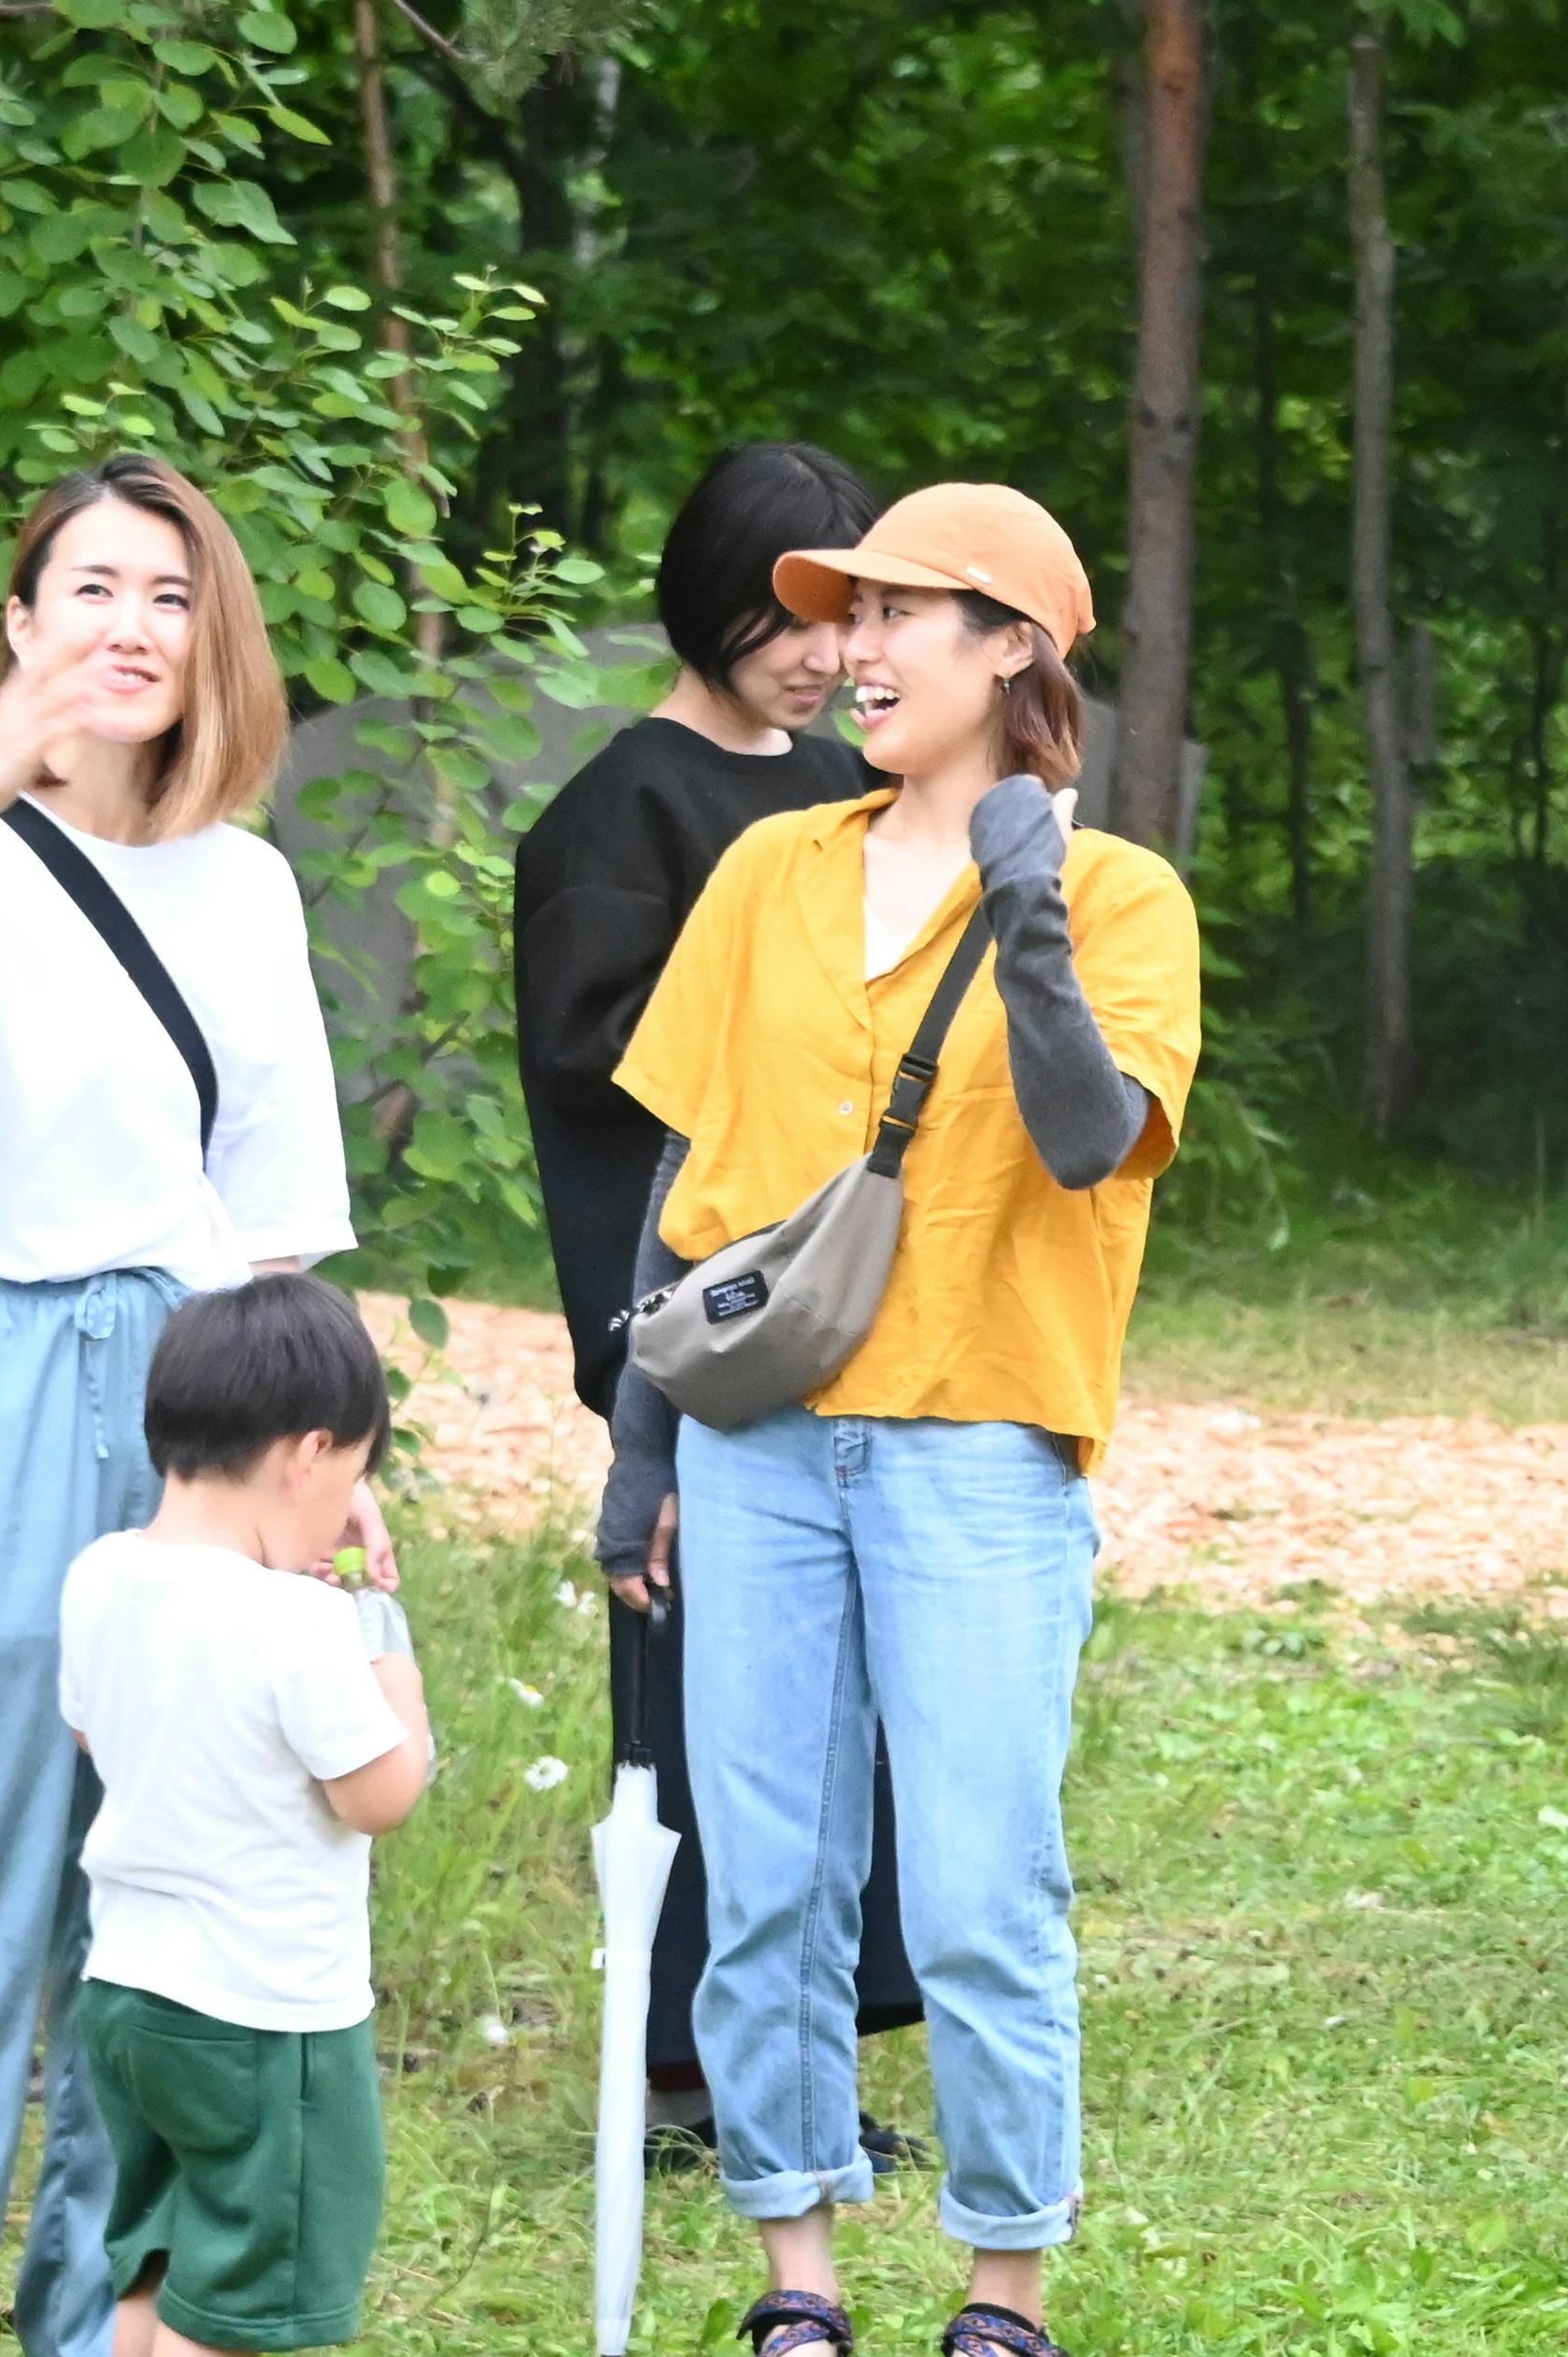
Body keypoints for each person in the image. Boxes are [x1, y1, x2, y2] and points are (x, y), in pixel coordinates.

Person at [594, 483, 1198, 2357]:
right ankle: (800, 2278)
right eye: (840, 618)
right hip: (758, 1445)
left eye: (895, 615)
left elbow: (1093, 1137)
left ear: (1014, 645)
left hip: (980, 1441)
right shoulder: (769, 868)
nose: (849, 651)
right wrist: (640, 1450)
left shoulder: (1121, 895)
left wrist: (1028, 910)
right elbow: (688, 1176)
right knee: (768, 1877)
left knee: (976, 1890)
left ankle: (1006, 2293)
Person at [0, 457, 362, 2357]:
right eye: (90, 586)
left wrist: (323, 1461)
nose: (132, 627)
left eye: (171, 594)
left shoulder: (243, 886)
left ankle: (96, 2332)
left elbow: (275, 1208)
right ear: (20, 621)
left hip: (195, 1378)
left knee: (163, 1863)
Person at [511, 441, 927, 2165]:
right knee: (702, 1712)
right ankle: (691, 2071)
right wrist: (648, 1388)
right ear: (707, 598)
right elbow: (614, 1097)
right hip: (706, 1325)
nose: (822, 654)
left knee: (839, 1706)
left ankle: (803, 2056)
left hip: (865, 1312)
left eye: (847, 615)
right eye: (785, 614)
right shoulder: (618, 813)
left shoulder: (849, 781)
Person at [60, 1275, 429, 2357]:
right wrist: (385, 1643)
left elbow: (90, 1729)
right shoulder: (300, 1623)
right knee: (239, 2256)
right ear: (310, 1453)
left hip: (128, 1987)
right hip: (261, 2009)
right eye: (349, 1477)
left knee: (160, 2226)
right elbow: (380, 1792)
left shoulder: (101, 1572)